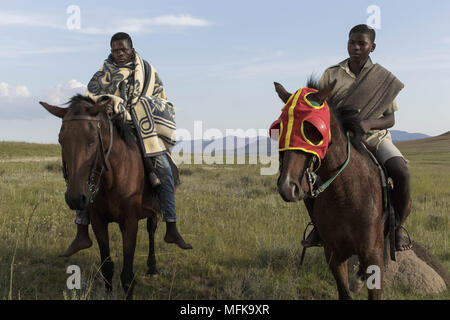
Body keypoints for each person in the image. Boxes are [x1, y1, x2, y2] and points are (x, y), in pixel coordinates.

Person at [59, 32, 192, 257]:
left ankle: (171, 225)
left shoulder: (148, 72)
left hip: (139, 127)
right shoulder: (101, 74)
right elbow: (88, 102)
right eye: (114, 50)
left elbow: (159, 101)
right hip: (106, 128)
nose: (118, 54)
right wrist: (102, 107)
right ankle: (82, 232)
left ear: (131, 49)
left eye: (122, 49)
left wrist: (121, 105)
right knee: (82, 167)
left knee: (164, 168)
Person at [301, 24, 412, 251]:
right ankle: (318, 228)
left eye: (362, 43)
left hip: (375, 138)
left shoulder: (383, 78)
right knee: (306, 178)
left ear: (372, 47)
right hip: (340, 141)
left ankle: (397, 227)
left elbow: (390, 119)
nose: (356, 47)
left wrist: (369, 123)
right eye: (352, 42)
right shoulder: (331, 74)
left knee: (401, 172)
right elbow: (319, 110)